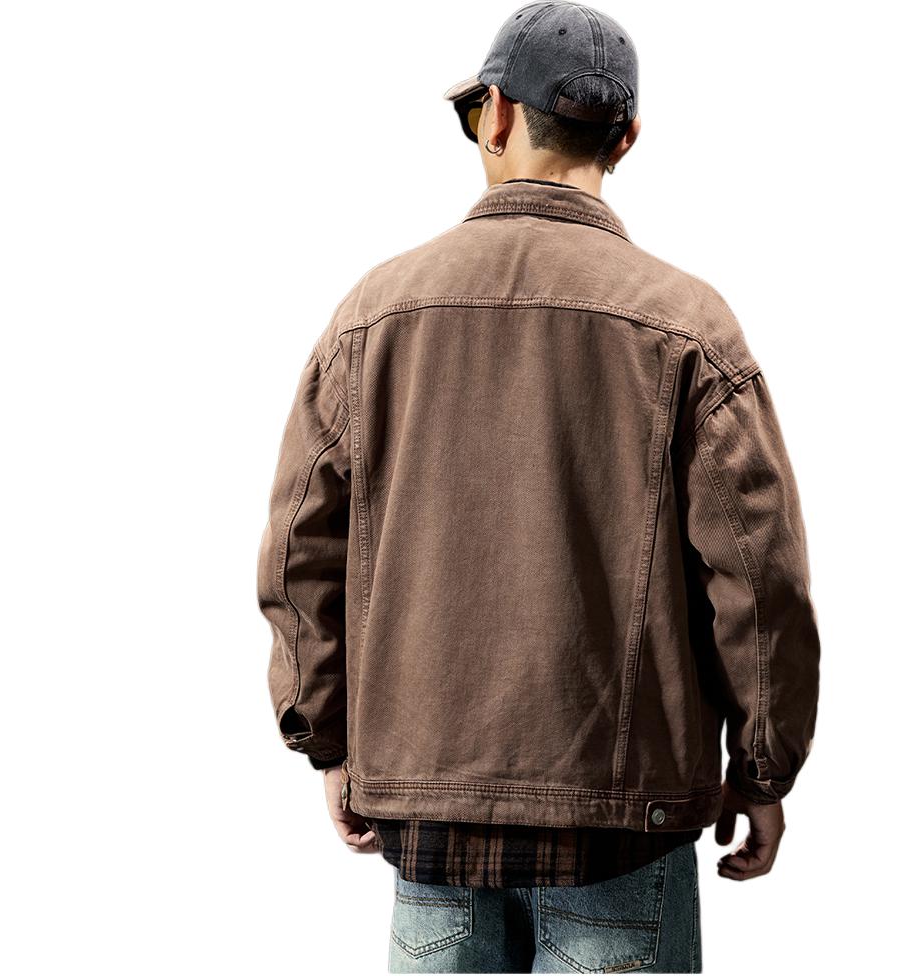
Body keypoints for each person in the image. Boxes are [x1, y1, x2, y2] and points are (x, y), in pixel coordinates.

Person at [257, 3, 821, 972]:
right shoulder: (688, 326)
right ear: (625, 138)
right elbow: (759, 576)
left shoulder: (374, 314)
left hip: (428, 813)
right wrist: (763, 767)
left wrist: (330, 741)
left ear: (499, 116)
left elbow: (298, 550)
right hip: (624, 822)